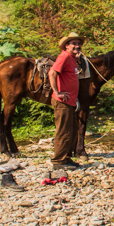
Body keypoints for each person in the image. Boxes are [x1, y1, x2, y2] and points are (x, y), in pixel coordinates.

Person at [49, 32, 84, 169]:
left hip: (70, 102)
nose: (77, 46)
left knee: (73, 129)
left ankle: (66, 157)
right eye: (74, 44)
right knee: (64, 130)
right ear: (67, 46)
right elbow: (52, 73)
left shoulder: (72, 58)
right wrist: (57, 92)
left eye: (79, 43)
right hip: (62, 101)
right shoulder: (63, 56)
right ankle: (58, 161)